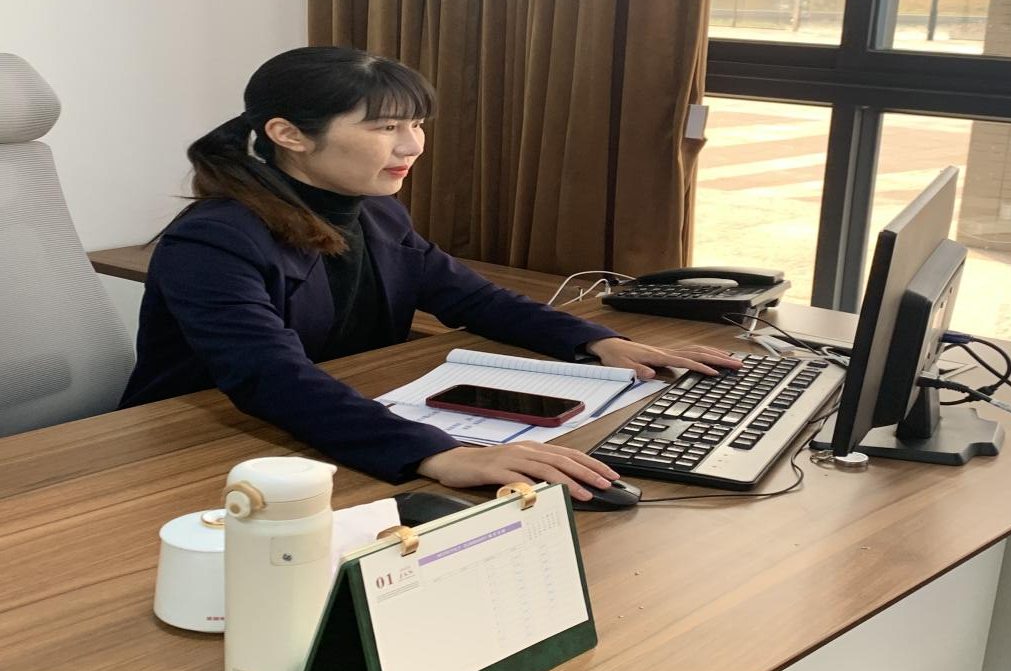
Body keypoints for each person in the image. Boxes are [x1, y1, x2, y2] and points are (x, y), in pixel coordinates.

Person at [121, 46, 740, 500]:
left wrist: (597, 342)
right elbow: (268, 374)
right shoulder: (215, 239)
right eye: (385, 127)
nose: (412, 145)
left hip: (330, 426)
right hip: (197, 451)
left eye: (415, 124)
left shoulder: (376, 212)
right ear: (289, 134)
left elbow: (470, 296)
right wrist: (436, 454)